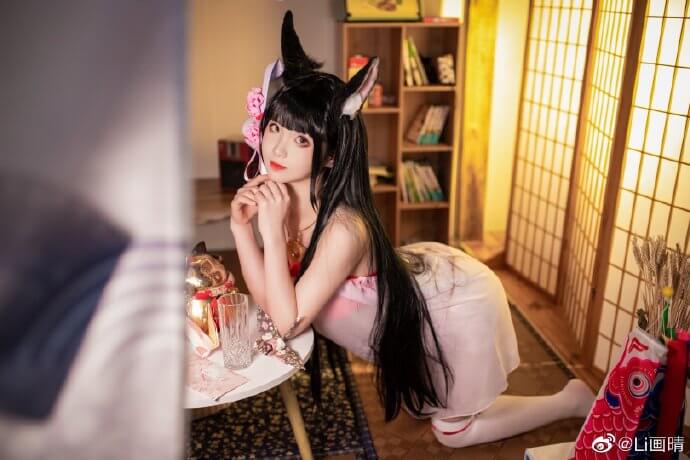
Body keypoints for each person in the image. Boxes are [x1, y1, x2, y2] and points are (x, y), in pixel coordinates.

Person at [230, 11, 595, 448]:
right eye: (275, 127)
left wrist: (269, 234)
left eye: (301, 139)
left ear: (330, 156)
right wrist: (241, 229)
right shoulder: (281, 200)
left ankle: (569, 401)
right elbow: (273, 305)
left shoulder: (344, 228)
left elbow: (284, 324)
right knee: (425, 403)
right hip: (411, 298)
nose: (277, 146)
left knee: (452, 431)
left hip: (453, 303)